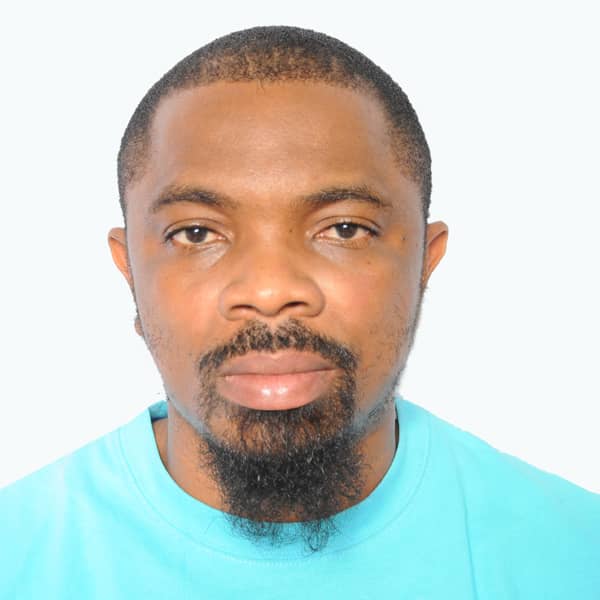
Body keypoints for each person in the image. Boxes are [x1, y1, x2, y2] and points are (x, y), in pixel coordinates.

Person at [1, 25, 599, 599]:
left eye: (344, 229)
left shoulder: (575, 552)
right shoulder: (16, 554)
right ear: (130, 272)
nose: (269, 291)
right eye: (196, 233)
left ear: (425, 261)